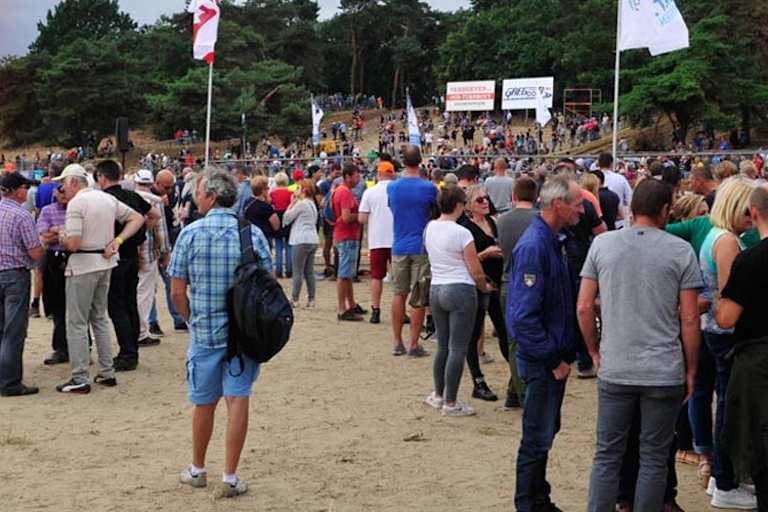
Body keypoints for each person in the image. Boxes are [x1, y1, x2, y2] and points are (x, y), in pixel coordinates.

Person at [577, 179, 703, 512]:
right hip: (663, 368)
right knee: (654, 457)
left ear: (631, 209)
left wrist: (593, 350)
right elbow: (690, 319)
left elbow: (584, 306)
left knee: (607, 454)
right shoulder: (680, 250)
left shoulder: (603, 245)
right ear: (665, 211)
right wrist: (691, 369)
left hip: (617, 365)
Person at [170, 168, 272, 498]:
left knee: (203, 402)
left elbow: (176, 291)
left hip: (205, 331)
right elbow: (267, 285)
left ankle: (197, 468)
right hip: (244, 334)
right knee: (238, 399)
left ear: (211, 196)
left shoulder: (190, 235)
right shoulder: (252, 234)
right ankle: (230, 475)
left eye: (199, 193)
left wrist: (191, 321)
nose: (196, 198)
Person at [507, 176, 583, 512]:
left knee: (546, 431)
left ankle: (539, 498)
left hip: (551, 355)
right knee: (536, 437)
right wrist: (553, 358)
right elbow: (523, 316)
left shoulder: (553, 241)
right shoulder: (535, 246)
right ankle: (528, 503)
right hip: (542, 361)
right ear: (558, 205)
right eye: (578, 203)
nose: (582, 209)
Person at [54, 164, 144, 394]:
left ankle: (79, 377)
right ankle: (106, 371)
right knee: (100, 318)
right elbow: (137, 218)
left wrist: (62, 236)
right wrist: (118, 241)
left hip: (83, 264)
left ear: (74, 182)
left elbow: (73, 244)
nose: (61, 189)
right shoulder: (105, 198)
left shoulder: (77, 203)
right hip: (105, 263)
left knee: (76, 322)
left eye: (63, 183)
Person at [697, 176, 757, 510]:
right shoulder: (727, 241)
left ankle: (725, 476)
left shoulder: (719, 236)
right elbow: (730, 290)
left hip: (717, 331)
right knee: (729, 409)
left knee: (726, 405)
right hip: (725, 335)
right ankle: (726, 478)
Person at [716, 184, 768, 511]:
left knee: (761, 446)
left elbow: (727, 318)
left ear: (752, 212)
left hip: (759, 362)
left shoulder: (750, 260)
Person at [423, 186, 493, 417]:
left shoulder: (430, 227)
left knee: (443, 345)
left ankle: (438, 394)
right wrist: (485, 287)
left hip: (437, 287)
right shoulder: (462, 233)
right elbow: (476, 270)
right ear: (458, 205)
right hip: (460, 288)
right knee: (457, 348)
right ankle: (451, 402)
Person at [96, 160, 158, 370]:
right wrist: (140, 236)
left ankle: (127, 352)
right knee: (130, 302)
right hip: (132, 254)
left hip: (113, 255)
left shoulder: (104, 199)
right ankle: (133, 348)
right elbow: (155, 215)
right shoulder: (134, 196)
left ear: (102, 178)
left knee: (117, 305)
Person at [386, 146, 436, 356]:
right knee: (419, 295)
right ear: (420, 161)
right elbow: (435, 211)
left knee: (399, 293)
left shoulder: (393, 187)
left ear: (403, 162)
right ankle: (414, 343)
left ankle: (397, 342)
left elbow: (392, 208)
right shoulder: (429, 188)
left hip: (399, 243)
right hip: (421, 245)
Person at [459, 185, 505, 402]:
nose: (485, 202)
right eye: (479, 200)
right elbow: (465, 259)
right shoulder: (466, 228)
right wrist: (485, 254)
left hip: (497, 283)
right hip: (478, 284)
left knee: (504, 330)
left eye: (486, 198)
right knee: (474, 332)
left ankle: (517, 378)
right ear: (469, 206)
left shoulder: (494, 223)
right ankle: (478, 381)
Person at [0, 173, 44, 396]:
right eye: (25, 188)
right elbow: (35, 252)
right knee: (14, 331)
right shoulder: (22, 215)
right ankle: (9, 382)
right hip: (15, 275)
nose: (27, 192)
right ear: (18, 190)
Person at [497, 176, 538, 410]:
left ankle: (514, 393)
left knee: (514, 342)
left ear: (514, 195)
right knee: (525, 343)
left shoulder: (502, 221)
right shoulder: (541, 220)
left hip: (507, 282)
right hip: (531, 285)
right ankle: (523, 395)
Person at [133, 170, 171, 349]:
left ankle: (133, 329)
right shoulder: (155, 202)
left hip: (127, 253)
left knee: (130, 292)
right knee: (145, 293)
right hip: (148, 253)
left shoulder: (127, 197)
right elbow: (161, 229)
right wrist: (165, 253)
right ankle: (141, 331)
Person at [358, 160, 395, 324]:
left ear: (379, 174)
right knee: (399, 278)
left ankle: (375, 309)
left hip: (377, 239)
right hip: (396, 239)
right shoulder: (397, 190)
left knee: (376, 277)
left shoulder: (370, 192)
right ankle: (399, 309)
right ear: (392, 173)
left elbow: (362, 218)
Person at [37, 185, 70, 365]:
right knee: (57, 306)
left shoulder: (78, 209)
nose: (63, 194)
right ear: (54, 193)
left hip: (74, 257)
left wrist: (56, 231)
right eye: (60, 190)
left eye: (66, 189)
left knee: (77, 306)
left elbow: (79, 236)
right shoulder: (47, 211)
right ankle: (60, 347)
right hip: (54, 260)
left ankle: (81, 346)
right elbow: (44, 237)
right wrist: (63, 232)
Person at [332, 163, 366, 321]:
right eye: (356, 175)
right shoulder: (345, 192)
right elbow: (346, 217)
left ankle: (351, 304)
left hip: (344, 235)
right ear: (348, 177)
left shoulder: (339, 190)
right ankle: (342, 308)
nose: (358, 179)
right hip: (347, 236)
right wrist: (359, 215)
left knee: (347, 273)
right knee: (344, 273)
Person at [282, 179, 319, 308]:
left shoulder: (301, 204)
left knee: (298, 271)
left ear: (303, 190)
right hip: (312, 238)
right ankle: (311, 298)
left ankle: (295, 298)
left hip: (301, 239)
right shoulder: (312, 203)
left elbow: (286, 218)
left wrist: (291, 203)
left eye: (298, 188)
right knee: (309, 271)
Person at [597, 153, 632, 228]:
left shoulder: (593, 178)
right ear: (611, 164)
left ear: (598, 164)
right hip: (617, 221)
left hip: (597, 221)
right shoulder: (620, 179)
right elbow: (630, 199)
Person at [270, 172, 294, 278]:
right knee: (289, 245)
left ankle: (278, 270)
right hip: (287, 217)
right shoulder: (290, 192)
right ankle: (289, 270)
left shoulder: (272, 193)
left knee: (278, 246)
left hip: (277, 218)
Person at [244, 176, 280, 243]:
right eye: (267, 188)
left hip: (250, 236)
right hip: (264, 238)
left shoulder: (247, 202)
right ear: (263, 190)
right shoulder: (266, 207)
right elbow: (276, 226)